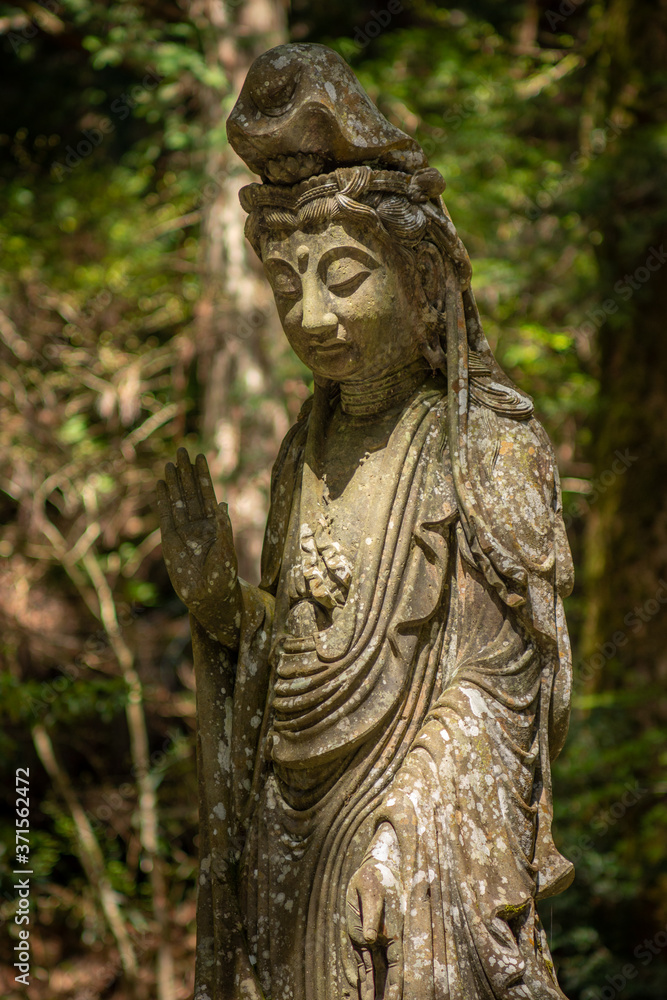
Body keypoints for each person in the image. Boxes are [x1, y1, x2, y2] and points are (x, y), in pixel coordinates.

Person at [157, 43, 574, 1000]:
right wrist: (226, 611)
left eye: (344, 276)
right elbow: (303, 647)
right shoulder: (302, 448)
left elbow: (498, 692)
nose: (309, 315)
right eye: (287, 280)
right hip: (288, 843)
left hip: (407, 847)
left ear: (421, 277)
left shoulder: (481, 442)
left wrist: (409, 832)